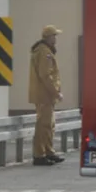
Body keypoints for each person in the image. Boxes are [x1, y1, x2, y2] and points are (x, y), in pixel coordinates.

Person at [28, 25, 64, 166]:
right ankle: (39, 155)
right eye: (54, 35)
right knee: (43, 125)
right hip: (44, 95)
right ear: (48, 37)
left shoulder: (45, 51)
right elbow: (45, 75)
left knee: (49, 125)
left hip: (45, 95)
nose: (56, 38)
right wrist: (56, 92)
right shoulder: (44, 52)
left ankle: (49, 152)